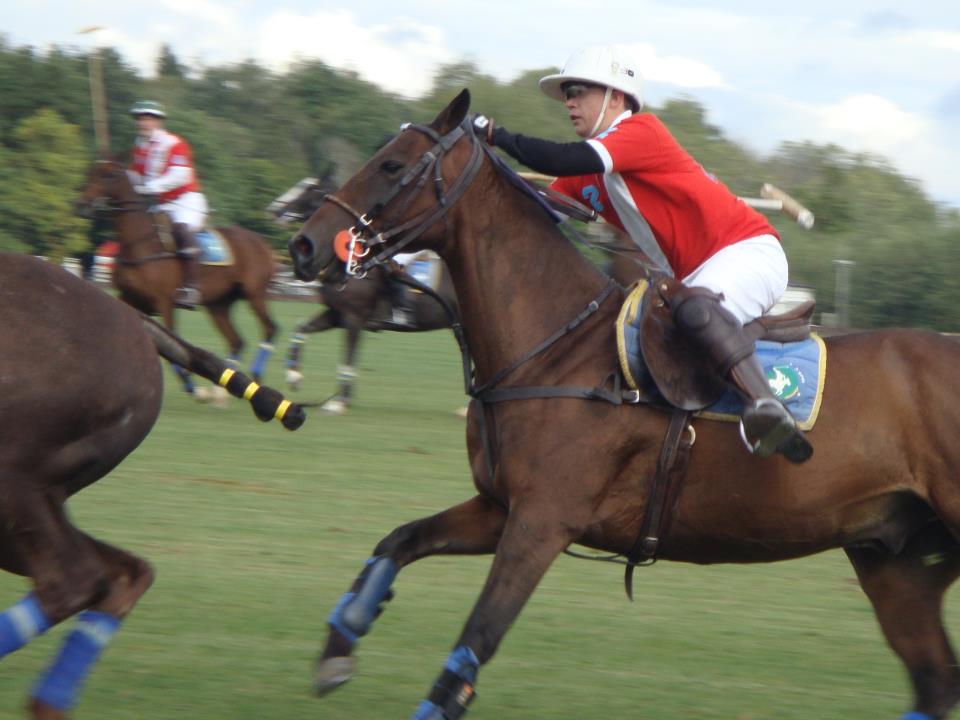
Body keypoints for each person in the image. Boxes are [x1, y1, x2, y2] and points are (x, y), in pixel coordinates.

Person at [471, 45, 812, 464]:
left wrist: (497, 136)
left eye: (577, 92)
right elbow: (533, 213)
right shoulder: (587, 174)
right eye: (567, 96)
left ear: (616, 97)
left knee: (690, 313)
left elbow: (560, 157)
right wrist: (480, 169)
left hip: (748, 253)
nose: (569, 103)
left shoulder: (641, 132)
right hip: (697, 275)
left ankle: (769, 411)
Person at [127, 100, 207, 309]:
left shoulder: (173, 143)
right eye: (140, 119)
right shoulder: (139, 146)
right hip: (160, 203)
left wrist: (150, 187)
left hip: (185, 201)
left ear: (158, 121)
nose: (142, 123)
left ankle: (191, 288)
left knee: (180, 229)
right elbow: (135, 175)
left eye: (147, 119)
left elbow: (180, 175)